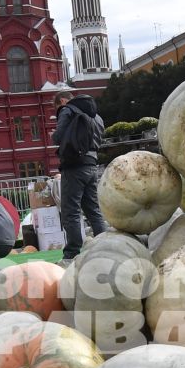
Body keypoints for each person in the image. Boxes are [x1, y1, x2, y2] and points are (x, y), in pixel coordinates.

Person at [53, 85, 107, 259]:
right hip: (92, 166)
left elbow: (59, 135)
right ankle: (106, 247)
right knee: (93, 210)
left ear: (62, 100)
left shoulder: (67, 110)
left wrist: (53, 135)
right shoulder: (96, 116)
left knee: (71, 211)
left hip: (74, 166)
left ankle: (72, 253)